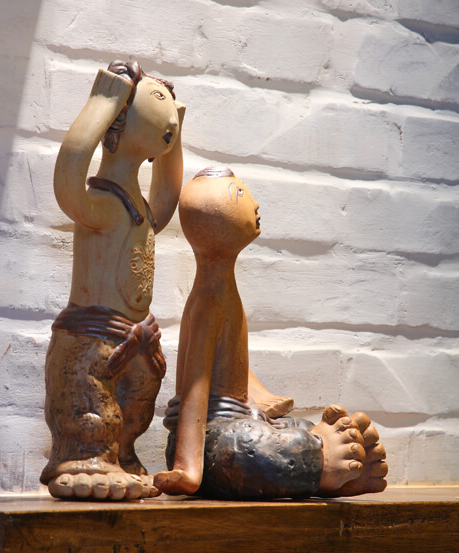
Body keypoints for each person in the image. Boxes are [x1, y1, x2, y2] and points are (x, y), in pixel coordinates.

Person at [154, 168, 388, 499]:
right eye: (240, 195)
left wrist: (261, 402)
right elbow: (195, 386)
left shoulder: (221, 288)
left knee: (296, 428)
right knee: (245, 445)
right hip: (208, 442)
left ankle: (324, 466)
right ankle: (321, 466)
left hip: (235, 422)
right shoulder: (208, 299)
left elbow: (228, 365)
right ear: (215, 221)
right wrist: (188, 469)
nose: (255, 204)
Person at [40, 61, 185, 500]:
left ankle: (120, 457)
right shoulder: (101, 200)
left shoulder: (138, 206)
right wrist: (103, 99)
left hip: (136, 338)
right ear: (120, 118)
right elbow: (68, 181)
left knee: (133, 412)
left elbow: (167, 196)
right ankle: (84, 459)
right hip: (92, 338)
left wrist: (177, 128)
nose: (169, 115)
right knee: (91, 410)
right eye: (157, 100)